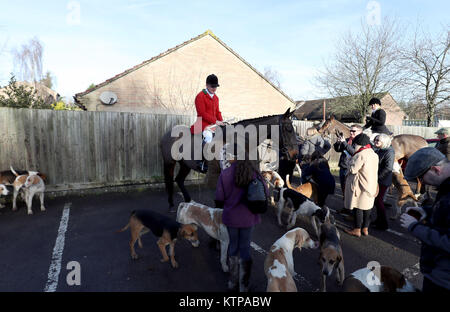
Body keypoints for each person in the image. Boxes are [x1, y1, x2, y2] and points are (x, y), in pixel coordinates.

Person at [215, 144, 268, 292]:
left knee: (233, 247)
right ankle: (244, 286)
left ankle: (232, 282)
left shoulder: (225, 174)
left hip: (231, 218)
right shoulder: (255, 173)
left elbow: (219, 198)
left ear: (233, 157)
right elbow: (266, 194)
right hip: (249, 218)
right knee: (245, 248)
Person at [400, 147, 450, 292]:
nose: (422, 182)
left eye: (421, 177)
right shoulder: (445, 186)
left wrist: (415, 227)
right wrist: (427, 212)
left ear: (435, 169)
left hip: (444, 280)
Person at [343, 133, 379, 237]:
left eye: (355, 144)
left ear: (359, 144)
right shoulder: (374, 154)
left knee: (358, 206)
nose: (354, 146)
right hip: (371, 184)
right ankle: (365, 229)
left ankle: (357, 229)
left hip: (360, 185)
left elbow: (353, 170)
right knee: (367, 207)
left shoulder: (360, 154)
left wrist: (349, 161)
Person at [190, 74, 224, 173]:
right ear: (207, 85)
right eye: (212, 86)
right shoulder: (200, 96)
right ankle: (201, 161)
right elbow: (202, 113)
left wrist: (221, 122)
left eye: (216, 87)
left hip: (213, 124)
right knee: (208, 136)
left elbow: (217, 112)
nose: (214, 89)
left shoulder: (216, 98)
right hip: (202, 124)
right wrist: (215, 121)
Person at [333, 124, 363, 213]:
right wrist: (338, 142)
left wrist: (345, 143)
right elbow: (338, 149)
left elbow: (354, 152)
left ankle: (352, 209)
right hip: (343, 166)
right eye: (350, 131)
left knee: (351, 190)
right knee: (343, 189)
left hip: (351, 168)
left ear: (360, 132)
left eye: (354, 131)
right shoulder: (347, 140)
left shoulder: (360, 142)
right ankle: (346, 207)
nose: (351, 132)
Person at [371, 134, 395, 230]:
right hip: (377, 179)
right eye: (375, 140)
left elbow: (388, 168)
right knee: (377, 202)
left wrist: (377, 178)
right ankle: (378, 220)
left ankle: (383, 224)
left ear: (384, 142)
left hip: (383, 180)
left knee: (379, 201)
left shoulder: (389, 151)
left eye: (378, 140)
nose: (375, 141)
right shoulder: (379, 150)